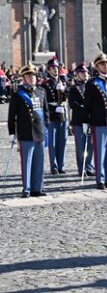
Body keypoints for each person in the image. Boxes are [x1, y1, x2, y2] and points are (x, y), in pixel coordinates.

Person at [8, 63, 49, 198]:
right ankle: (26, 188)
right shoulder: (18, 95)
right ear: (24, 78)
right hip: (26, 132)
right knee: (27, 163)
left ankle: (37, 188)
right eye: (28, 76)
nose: (32, 78)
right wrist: (12, 133)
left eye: (33, 76)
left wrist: (46, 128)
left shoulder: (41, 92)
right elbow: (11, 116)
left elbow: (46, 112)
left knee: (39, 162)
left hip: (39, 131)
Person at [84, 51, 107, 190]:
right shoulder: (92, 83)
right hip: (99, 121)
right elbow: (87, 104)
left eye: (106, 64)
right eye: (102, 64)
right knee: (100, 152)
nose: (106, 66)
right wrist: (85, 121)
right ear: (97, 67)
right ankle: (100, 179)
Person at [41, 57, 68, 174]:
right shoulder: (45, 84)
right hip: (52, 115)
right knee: (52, 143)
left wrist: (65, 90)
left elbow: (67, 98)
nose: (56, 70)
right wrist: (52, 109)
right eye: (53, 68)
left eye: (57, 67)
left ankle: (61, 165)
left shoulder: (63, 82)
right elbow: (44, 102)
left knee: (63, 141)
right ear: (48, 69)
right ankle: (54, 166)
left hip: (62, 113)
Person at [68, 62, 94, 177]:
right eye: (82, 73)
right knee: (81, 146)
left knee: (90, 145)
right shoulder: (74, 88)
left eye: (86, 72)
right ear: (77, 74)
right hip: (78, 121)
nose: (85, 74)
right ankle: (82, 168)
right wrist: (83, 107)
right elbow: (72, 104)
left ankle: (89, 166)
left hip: (90, 120)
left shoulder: (91, 86)